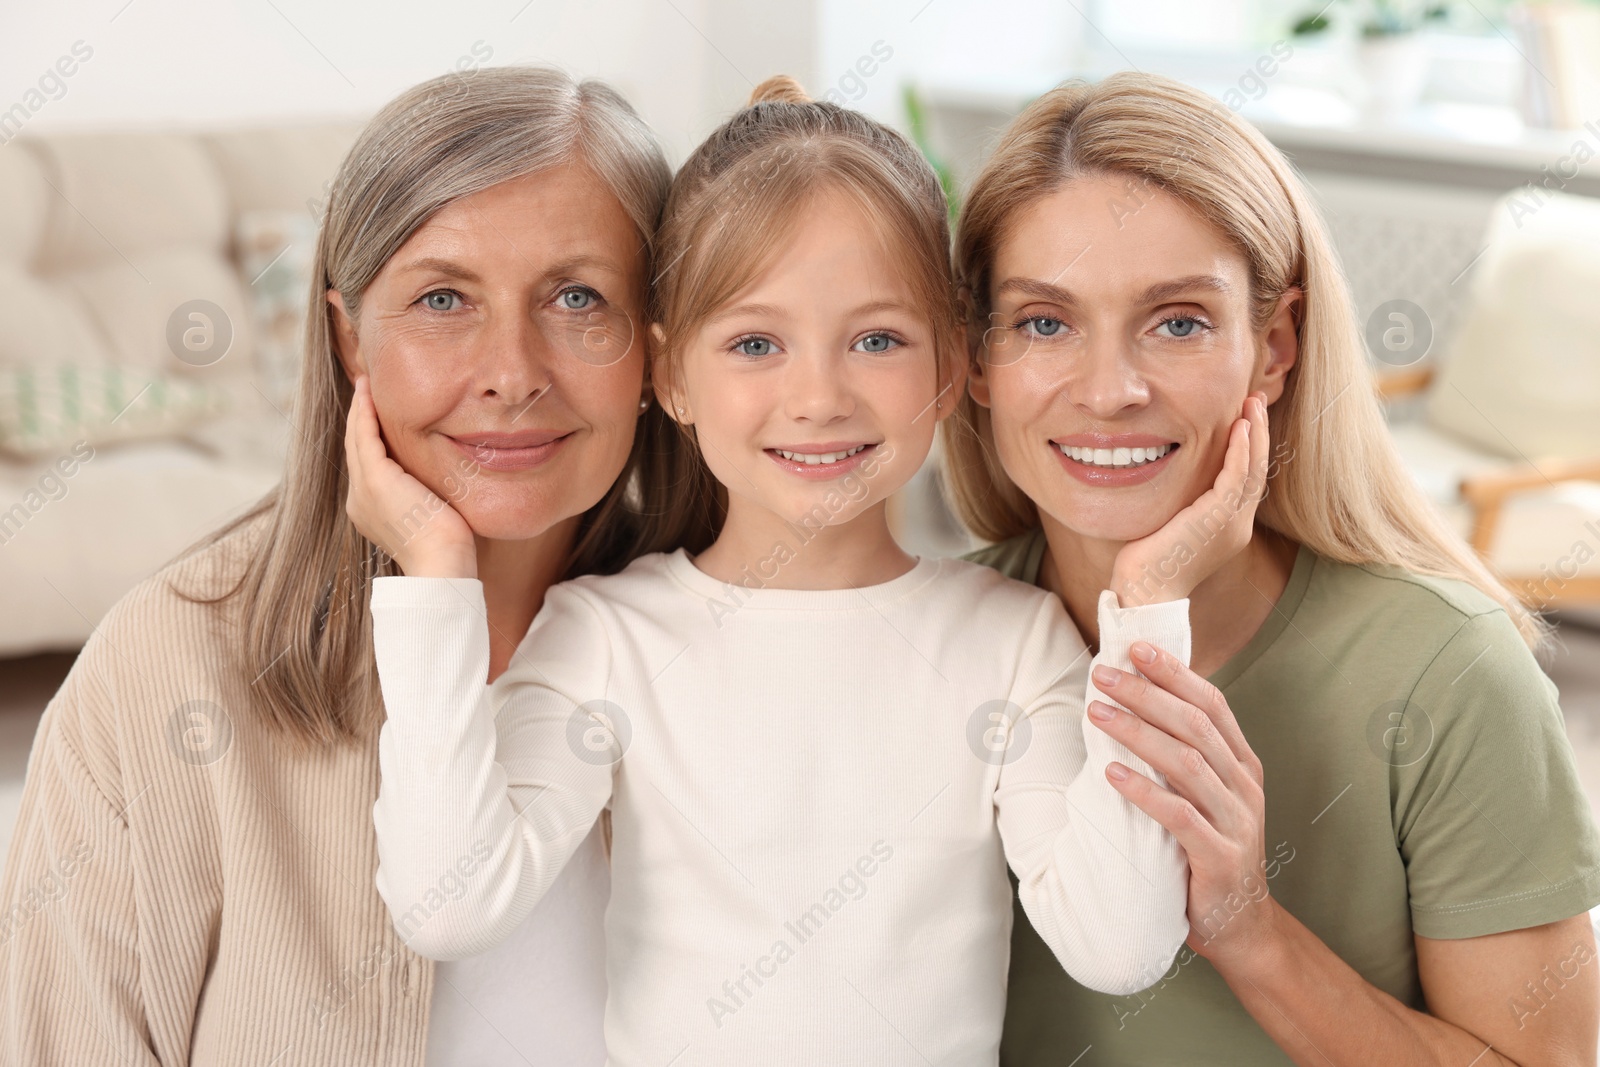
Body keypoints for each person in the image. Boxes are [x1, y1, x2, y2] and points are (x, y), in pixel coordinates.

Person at [352, 75, 1268, 1064]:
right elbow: (446, 904)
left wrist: (1146, 606)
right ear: (669, 374)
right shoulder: (606, 636)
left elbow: (1121, 945)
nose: (818, 397)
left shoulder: (1012, 638)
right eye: (755, 342)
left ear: (952, 366)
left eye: (876, 340)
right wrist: (435, 575)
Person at [0, 66, 711, 1066]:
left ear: (652, 350)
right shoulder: (162, 668)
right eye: (442, 297)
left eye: (578, 295)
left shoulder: (730, 640)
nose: (511, 369)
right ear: (348, 339)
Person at [945, 71, 1600, 1066]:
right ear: (979, 361)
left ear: (1274, 347)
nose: (1111, 389)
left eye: (1177, 320)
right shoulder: (930, 635)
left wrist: (1250, 929)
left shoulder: (1447, 670)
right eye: (1044, 321)